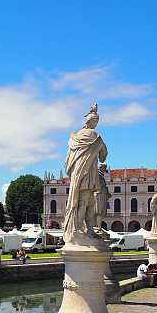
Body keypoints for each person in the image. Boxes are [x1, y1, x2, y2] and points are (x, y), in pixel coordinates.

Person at [64, 104, 108, 244]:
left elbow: (67, 162)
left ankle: (81, 229)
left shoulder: (74, 138)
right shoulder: (96, 137)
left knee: (84, 202)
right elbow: (103, 156)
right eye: (96, 122)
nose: (96, 124)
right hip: (90, 175)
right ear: (91, 121)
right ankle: (86, 229)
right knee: (88, 203)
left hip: (78, 174)